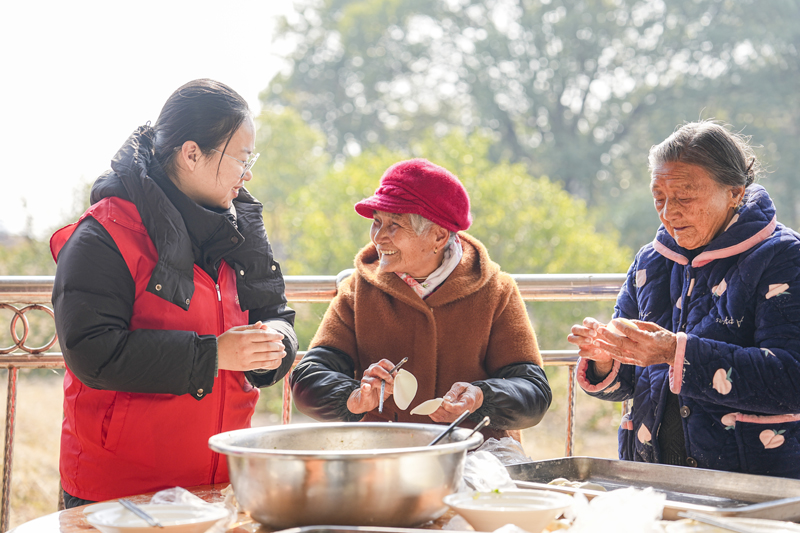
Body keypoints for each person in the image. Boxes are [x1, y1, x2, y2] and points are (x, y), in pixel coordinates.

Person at [50, 79, 298, 507]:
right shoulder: (104, 233)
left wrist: (276, 344)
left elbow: (276, 313)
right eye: (241, 157)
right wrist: (216, 354)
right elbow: (92, 352)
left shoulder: (240, 230)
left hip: (220, 488)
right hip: (119, 495)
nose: (248, 172)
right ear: (191, 153)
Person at [568, 121, 800, 478]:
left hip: (751, 480)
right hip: (652, 475)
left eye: (685, 197)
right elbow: (628, 383)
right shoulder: (651, 261)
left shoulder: (783, 257)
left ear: (735, 193)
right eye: (659, 197)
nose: (669, 212)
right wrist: (605, 358)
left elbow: (790, 377)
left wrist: (676, 352)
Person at [290, 158, 552, 441]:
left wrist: (480, 398)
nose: (378, 237)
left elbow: (534, 392)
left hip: (475, 457)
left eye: (394, 225)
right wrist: (354, 397)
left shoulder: (497, 291)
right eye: (377, 222)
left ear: (439, 236)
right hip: (383, 456)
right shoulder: (358, 290)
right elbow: (308, 378)